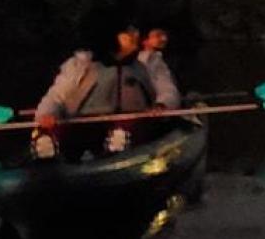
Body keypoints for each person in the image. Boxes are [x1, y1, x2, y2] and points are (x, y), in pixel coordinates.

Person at [33, 24, 169, 160]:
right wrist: (47, 114)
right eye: (128, 32)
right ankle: (49, 149)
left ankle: (117, 147)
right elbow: (55, 97)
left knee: (128, 127)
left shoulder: (148, 63)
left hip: (132, 124)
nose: (136, 34)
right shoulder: (80, 65)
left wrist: (162, 105)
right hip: (85, 125)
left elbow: (167, 90)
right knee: (59, 129)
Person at [139, 27, 181, 111]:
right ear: (145, 41)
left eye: (164, 35)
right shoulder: (139, 61)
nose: (163, 39)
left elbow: (166, 87)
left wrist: (162, 104)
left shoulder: (159, 60)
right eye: (157, 35)